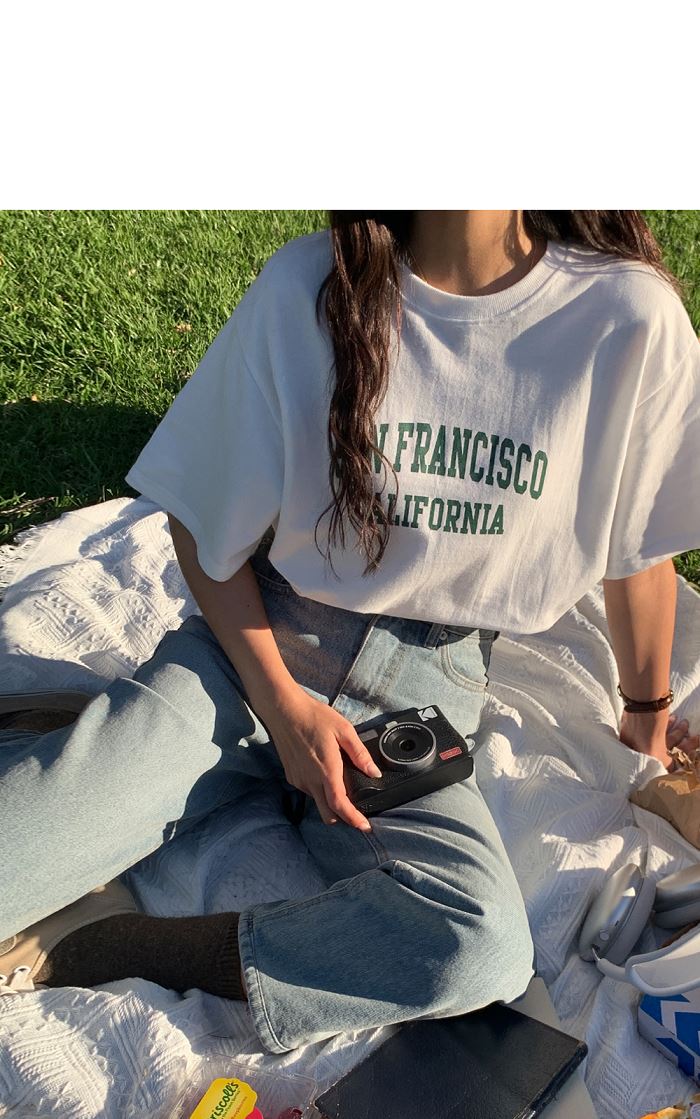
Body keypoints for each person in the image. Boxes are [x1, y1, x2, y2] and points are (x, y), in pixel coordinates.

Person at [1, 211, 699, 1056]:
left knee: (479, 948)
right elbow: (200, 522)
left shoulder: (626, 318)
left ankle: (108, 942)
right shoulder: (307, 290)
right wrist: (284, 708)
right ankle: (110, 747)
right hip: (250, 661)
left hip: (417, 711)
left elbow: (641, 552)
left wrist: (646, 722)